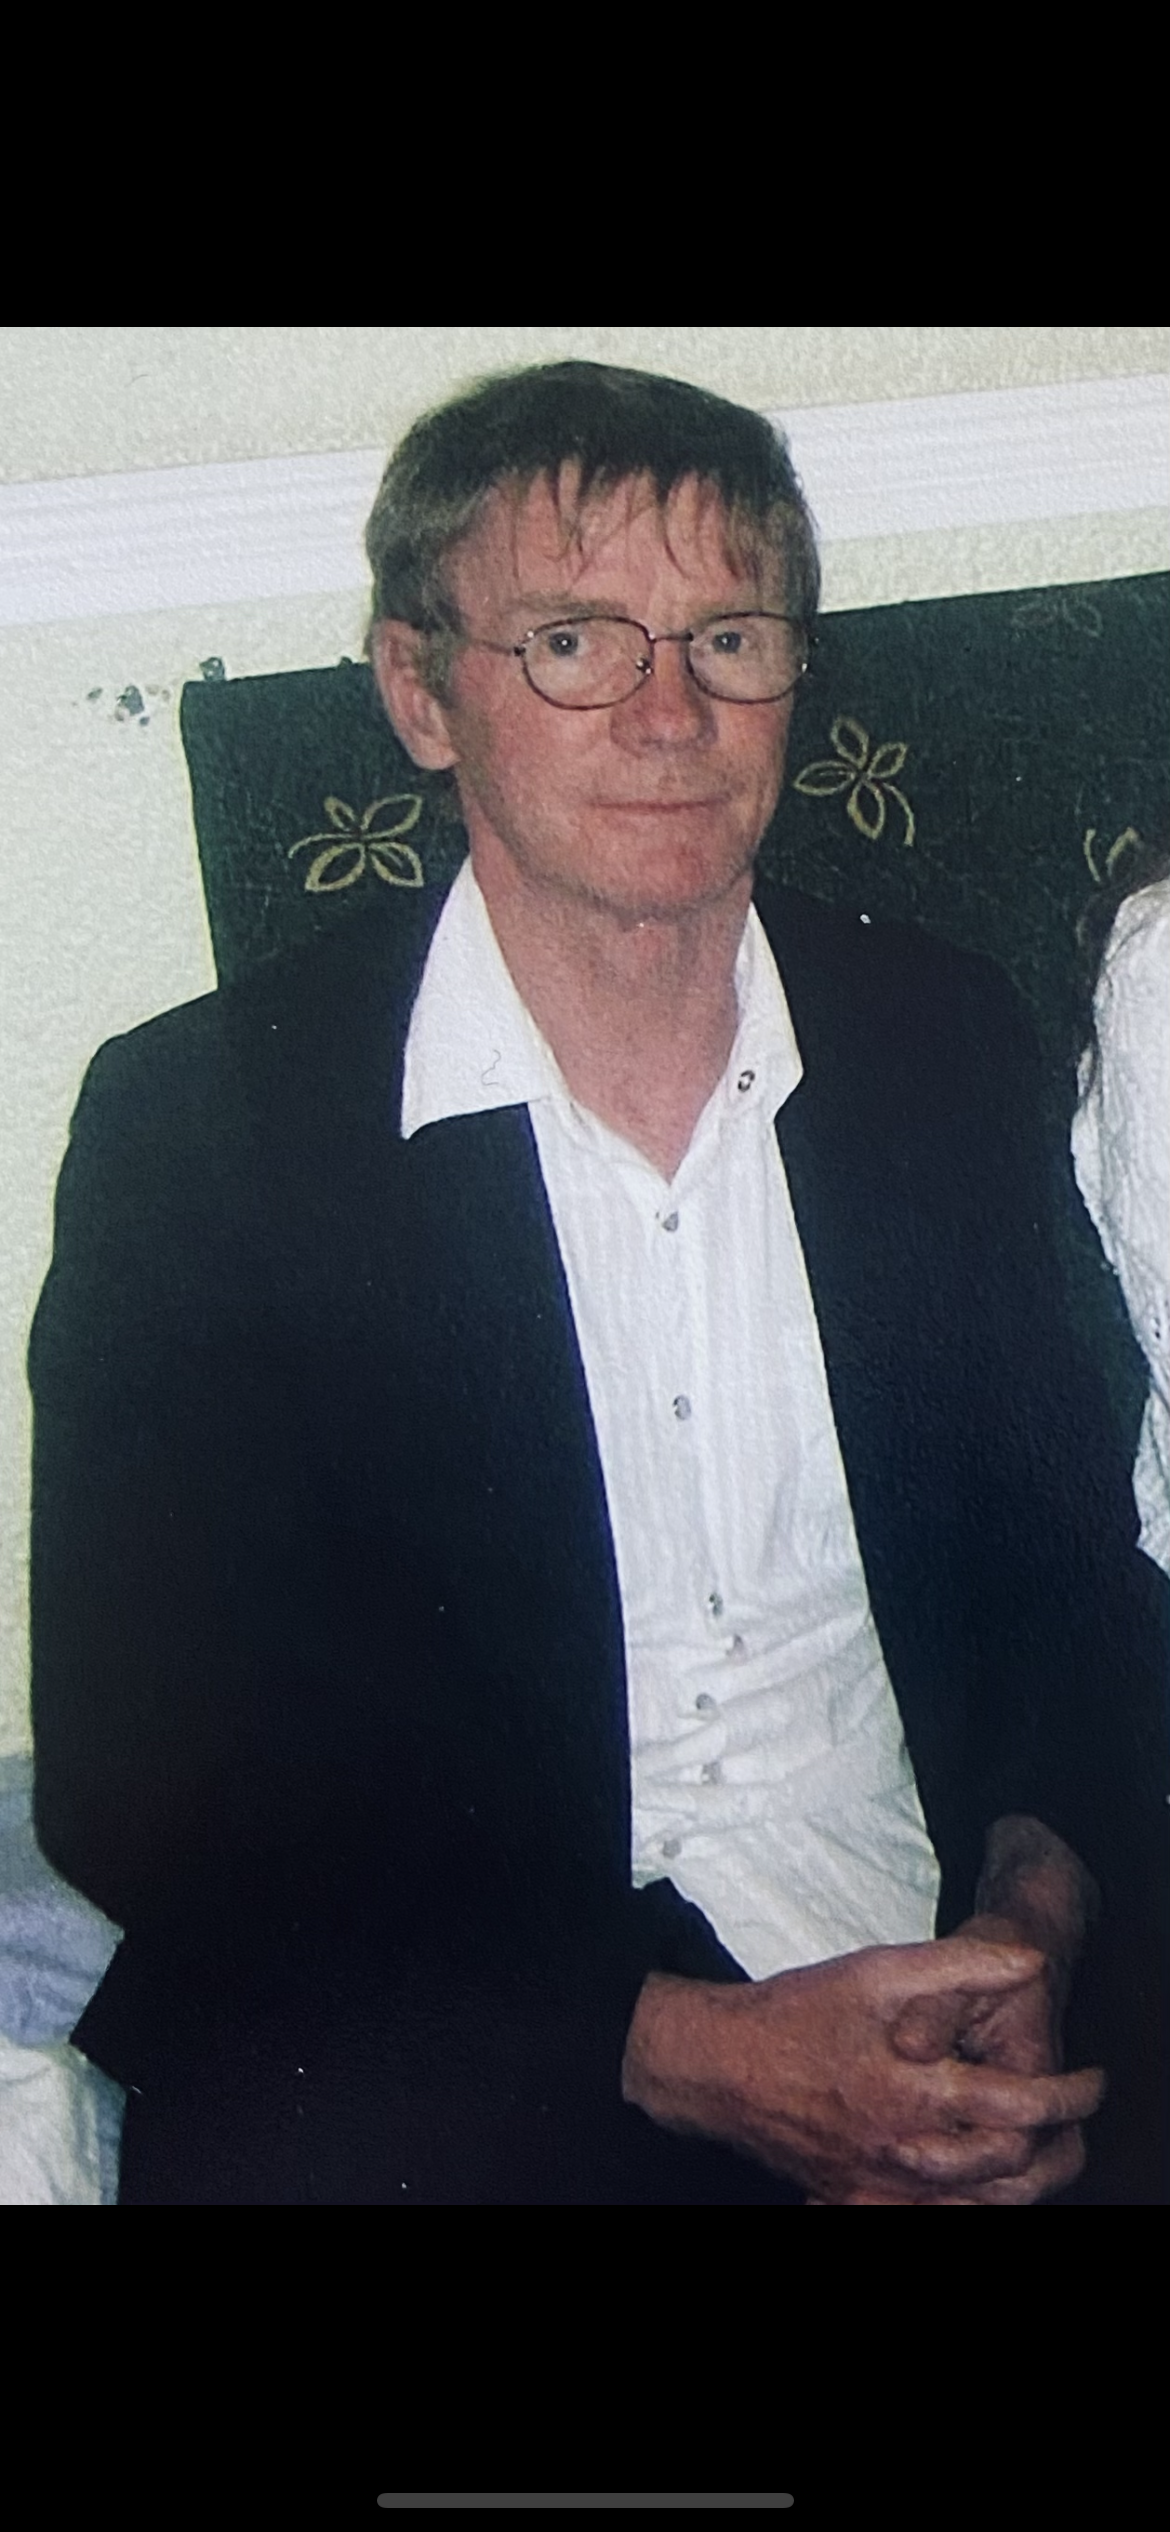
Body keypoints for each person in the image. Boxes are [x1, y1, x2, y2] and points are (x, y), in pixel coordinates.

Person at [27, 362, 1164, 2205]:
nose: (667, 715)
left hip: (940, 1939)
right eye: (572, 643)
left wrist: (1032, 1921)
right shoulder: (209, 1129)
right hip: (464, 2008)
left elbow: (1067, 1570)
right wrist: (676, 2047)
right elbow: (138, 1774)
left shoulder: (936, 1040)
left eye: (729, 640)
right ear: (419, 694)